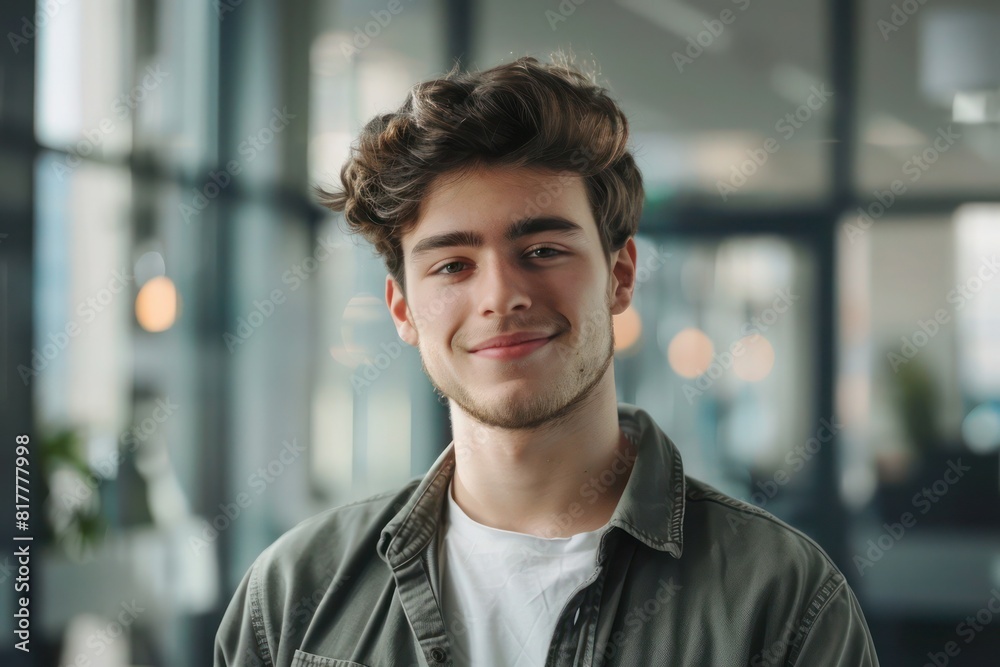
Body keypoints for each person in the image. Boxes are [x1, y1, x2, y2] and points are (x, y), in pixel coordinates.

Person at [214, 54, 880, 666]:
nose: (501, 296)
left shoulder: (782, 598)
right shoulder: (292, 597)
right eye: (452, 264)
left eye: (543, 250)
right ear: (403, 310)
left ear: (620, 276)